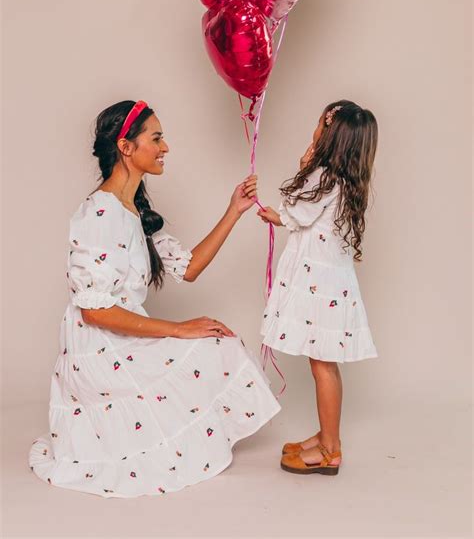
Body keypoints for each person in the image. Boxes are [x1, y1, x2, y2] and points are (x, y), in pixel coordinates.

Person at [29, 99, 280, 497]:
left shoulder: (135, 210)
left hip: (124, 335)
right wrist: (178, 330)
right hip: (98, 350)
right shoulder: (98, 213)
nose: (166, 148)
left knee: (221, 343)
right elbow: (94, 313)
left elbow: (189, 267)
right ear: (126, 147)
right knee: (207, 344)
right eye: (157, 138)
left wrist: (234, 211)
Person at [258, 100, 378, 475]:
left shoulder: (322, 174)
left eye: (319, 124)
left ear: (329, 135)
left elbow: (298, 209)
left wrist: (303, 166)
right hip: (329, 282)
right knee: (323, 362)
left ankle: (330, 449)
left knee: (323, 365)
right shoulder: (343, 178)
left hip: (317, 285)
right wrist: (277, 216)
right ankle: (329, 436)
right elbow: (304, 219)